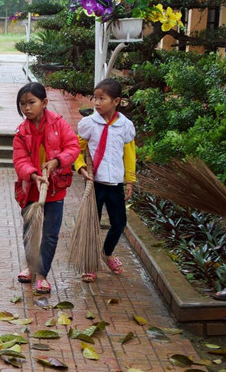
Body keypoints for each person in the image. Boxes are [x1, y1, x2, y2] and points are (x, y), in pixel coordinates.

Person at [12, 82, 80, 294]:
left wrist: (57, 162)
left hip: (54, 190)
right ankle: (30, 268)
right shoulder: (21, 132)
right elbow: (20, 159)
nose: (27, 108)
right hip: (31, 190)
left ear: (44, 103)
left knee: (50, 234)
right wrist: (33, 175)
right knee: (30, 232)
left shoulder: (60, 125)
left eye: (31, 102)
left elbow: (73, 147)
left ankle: (42, 275)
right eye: (22, 104)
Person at [73, 78, 136, 282]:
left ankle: (107, 253)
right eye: (95, 98)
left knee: (119, 223)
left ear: (116, 101)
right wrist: (81, 167)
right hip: (95, 183)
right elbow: (77, 149)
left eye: (103, 99)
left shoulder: (125, 126)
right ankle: (90, 264)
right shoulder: (90, 124)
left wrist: (129, 180)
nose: (97, 103)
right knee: (92, 223)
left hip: (115, 184)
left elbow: (129, 153)